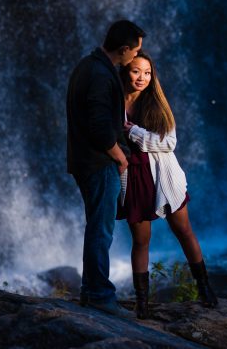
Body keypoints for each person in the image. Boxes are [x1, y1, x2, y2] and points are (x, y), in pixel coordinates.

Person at [117, 50, 218, 319]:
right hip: (133, 176)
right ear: (125, 71)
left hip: (164, 175)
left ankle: (205, 288)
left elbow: (169, 142)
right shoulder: (113, 102)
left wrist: (133, 132)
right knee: (141, 241)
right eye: (136, 71)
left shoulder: (156, 103)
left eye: (148, 73)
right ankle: (142, 304)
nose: (142, 77)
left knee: (184, 230)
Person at [67, 20, 146, 317]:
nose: (137, 55)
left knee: (97, 227)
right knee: (101, 229)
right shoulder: (101, 74)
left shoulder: (87, 65)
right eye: (135, 50)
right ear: (124, 49)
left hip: (84, 161)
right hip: (99, 163)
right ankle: (100, 294)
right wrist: (120, 156)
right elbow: (100, 127)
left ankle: (90, 291)